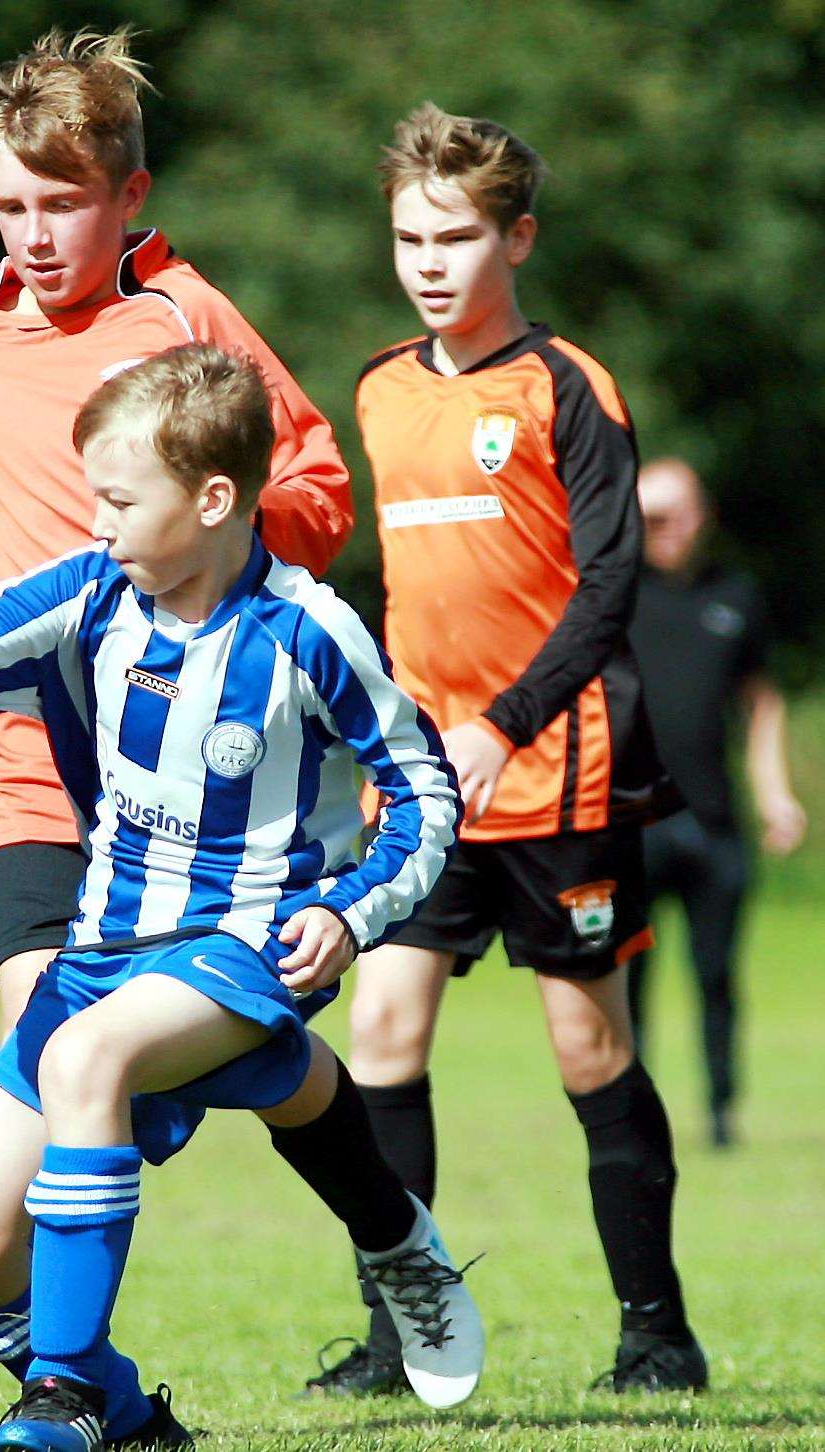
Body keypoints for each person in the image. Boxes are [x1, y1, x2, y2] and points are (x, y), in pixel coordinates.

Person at [0, 345, 481, 1450]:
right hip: (102, 948)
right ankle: (133, 1410)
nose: (98, 522)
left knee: (88, 1064)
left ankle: (62, 1398)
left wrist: (349, 913)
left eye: (119, 499)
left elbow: (422, 799)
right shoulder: (90, 598)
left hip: (247, 942)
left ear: (213, 499)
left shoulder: (309, 633)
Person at [308, 104, 705, 1398]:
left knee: (585, 1050)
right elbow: (399, 594)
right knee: (378, 1032)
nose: (426, 260)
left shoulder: (565, 389)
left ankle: (654, 1335)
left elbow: (606, 587)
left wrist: (502, 724)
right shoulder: (373, 387)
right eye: (406, 237)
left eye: (454, 237)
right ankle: (398, 1338)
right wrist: (392, 737)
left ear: (514, 239)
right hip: (424, 783)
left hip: (555, 770)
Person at [0, 28, 353, 1044]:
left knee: (206, 1061)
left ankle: (374, 1195)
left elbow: (317, 485)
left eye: (62, 204)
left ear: (129, 200)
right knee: (45, 1055)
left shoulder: (182, 317)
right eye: (10, 208)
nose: (34, 236)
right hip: (27, 755)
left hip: (182, 750)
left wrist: (208, 545)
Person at [630, 456, 807, 1147]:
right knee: (627, 981)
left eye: (674, 514)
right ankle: (634, 1115)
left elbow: (761, 703)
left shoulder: (737, 597)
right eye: (648, 518)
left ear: (704, 517)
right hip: (630, 821)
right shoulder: (611, 595)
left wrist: (776, 795)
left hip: (715, 821)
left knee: (716, 975)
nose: (662, 530)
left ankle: (721, 1111)